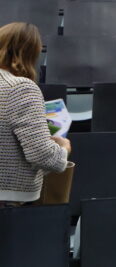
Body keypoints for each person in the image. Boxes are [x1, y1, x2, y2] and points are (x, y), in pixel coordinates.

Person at [0, 22, 70, 206]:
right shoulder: (20, 87)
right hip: (7, 202)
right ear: (30, 54)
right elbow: (42, 155)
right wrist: (63, 150)